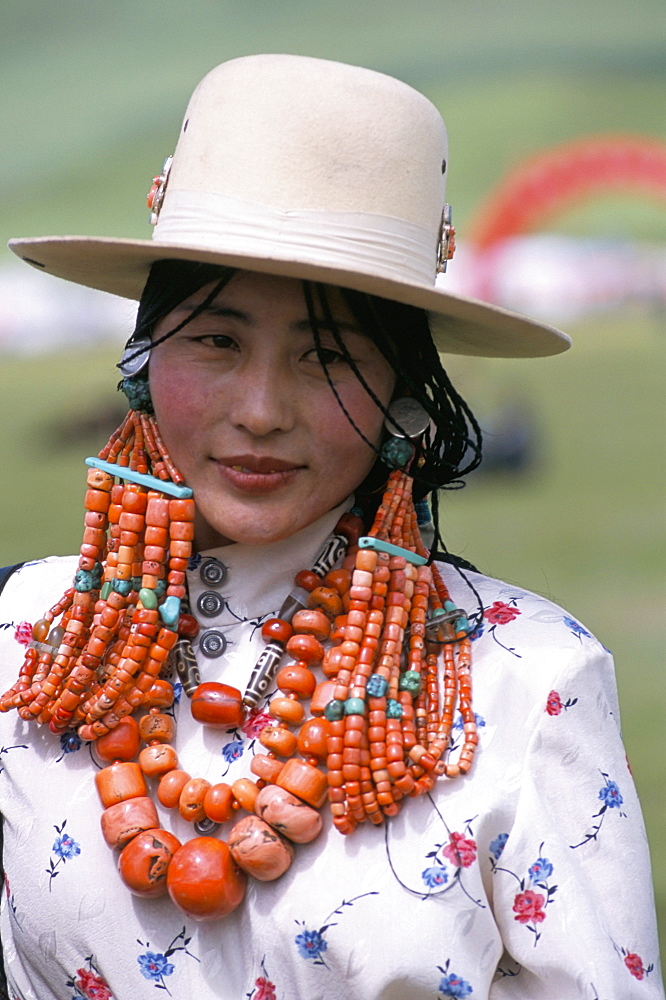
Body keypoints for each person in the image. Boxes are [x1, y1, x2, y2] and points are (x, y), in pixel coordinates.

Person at [0, 54, 661, 1000]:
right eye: (217, 340)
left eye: (327, 354)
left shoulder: (527, 679)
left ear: (402, 389)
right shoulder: (26, 641)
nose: (262, 409)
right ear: (146, 359)